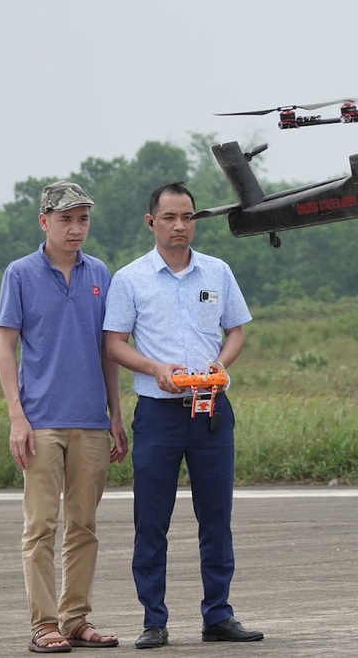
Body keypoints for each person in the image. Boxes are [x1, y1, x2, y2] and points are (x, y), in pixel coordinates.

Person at [102, 181, 263, 649]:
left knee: (216, 517)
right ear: (151, 222)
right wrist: (155, 368)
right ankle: (154, 618)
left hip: (211, 408)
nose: (180, 226)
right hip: (159, 412)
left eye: (188, 217)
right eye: (170, 218)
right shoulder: (130, 279)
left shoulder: (217, 271)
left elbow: (236, 331)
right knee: (152, 519)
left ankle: (218, 614)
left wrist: (221, 363)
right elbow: (113, 344)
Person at [0, 180, 129, 653]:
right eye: (66, 219)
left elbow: (109, 350)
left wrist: (116, 414)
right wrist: (17, 416)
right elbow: (5, 346)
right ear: (44, 221)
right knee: (40, 527)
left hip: (92, 421)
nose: (76, 228)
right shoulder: (20, 274)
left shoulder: (100, 273)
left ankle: (76, 620)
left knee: (84, 526)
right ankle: (43, 625)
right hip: (41, 423)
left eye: (83, 219)